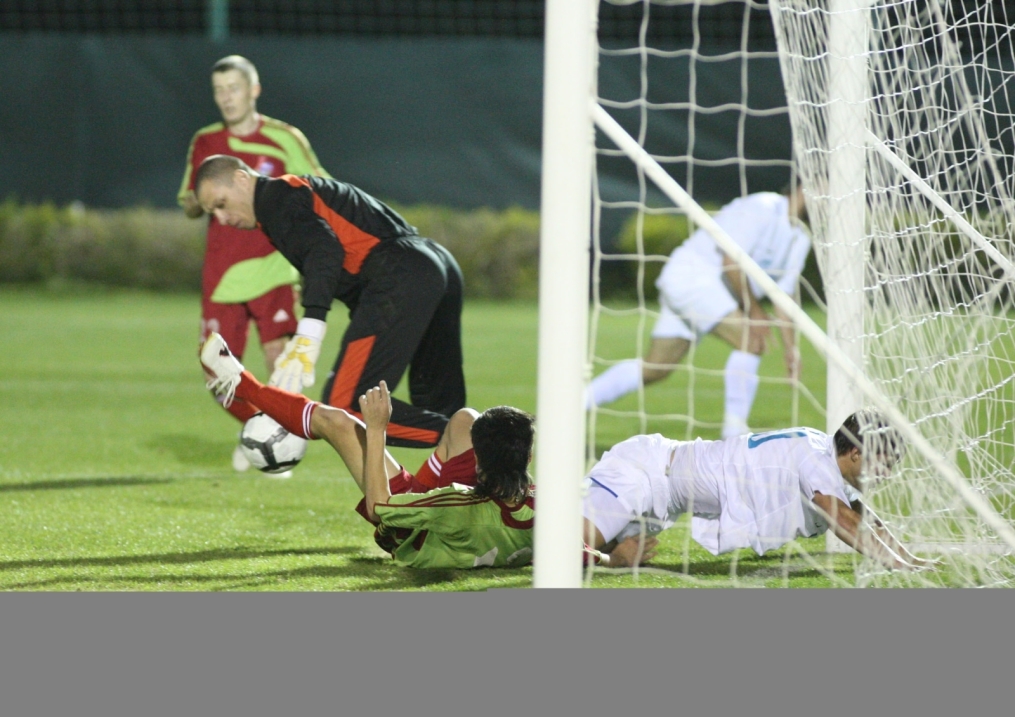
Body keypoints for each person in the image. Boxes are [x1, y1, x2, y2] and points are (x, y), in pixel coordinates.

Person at [200, 331, 652, 569]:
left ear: (478, 461)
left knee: (340, 423)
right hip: (461, 513)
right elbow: (573, 549)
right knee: (464, 419)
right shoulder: (541, 509)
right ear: (527, 461)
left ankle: (241, 384)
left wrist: (376, 430)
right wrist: (615, 558)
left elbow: (382, 510)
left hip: (417, 532)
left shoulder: (453, 504)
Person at [193, 154, 466, 450]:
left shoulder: (277, 199)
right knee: (440, 406)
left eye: (220, 204)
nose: (221, 219)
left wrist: (308, 333)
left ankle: (482, 441)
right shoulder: (290, 195)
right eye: (212, 213)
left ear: (242, 179)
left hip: (400, 274)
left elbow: (324, 251)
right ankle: (484, 466)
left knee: (349, 405)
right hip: (433, 264)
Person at [179, 55, 331, 472]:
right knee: (215, 371)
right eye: (219, 91)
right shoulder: (205, 143)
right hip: (221, 274)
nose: (226, 98)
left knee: (280, 364)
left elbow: (320, 189)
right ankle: (261, 430)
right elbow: (191, 206)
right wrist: (201, 201)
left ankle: (276, 442)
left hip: (272, 266)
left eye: (234, 88)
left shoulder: (284, 138)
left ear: (253, 90)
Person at [581, 409, 937, 572]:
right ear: (856, 454)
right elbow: (842, 519)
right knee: (567, 550)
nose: (887, 475)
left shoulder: (824, 454)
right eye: (884, 464)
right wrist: (616, 563)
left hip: (662, 499)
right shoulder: (817, 464)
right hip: (642, 474)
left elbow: (865, 520)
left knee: (560, 547)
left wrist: (912, 561)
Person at [587, 183, 812, 438]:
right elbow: (731, 260)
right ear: (805, 186)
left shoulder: (801, 237)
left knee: (655, 369)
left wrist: (791, 348)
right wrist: (754, 311)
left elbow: (783, 296)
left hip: (707, 292)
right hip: (692, 278)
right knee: (751, 338)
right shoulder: (763, 206)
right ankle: (734, 434)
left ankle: (570, 407)